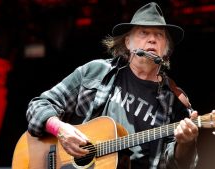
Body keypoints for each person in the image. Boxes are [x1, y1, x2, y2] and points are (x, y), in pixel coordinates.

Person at [26, 2, 199, 169]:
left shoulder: (175, 101)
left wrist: (186, 144)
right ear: (127, 42)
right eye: (144, 32)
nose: (152, 39)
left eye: (159, 35)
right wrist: (60, 130)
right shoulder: (96, 72)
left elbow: (180, 165)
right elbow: (38, 106)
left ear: (166, 49)